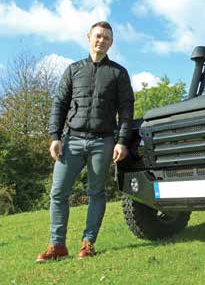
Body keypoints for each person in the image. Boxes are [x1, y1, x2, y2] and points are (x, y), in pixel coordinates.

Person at [36, 21, 134, 262]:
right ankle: (57, 246)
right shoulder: (73, 70)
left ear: (111, 43)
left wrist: (121, 141)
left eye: (107, 38)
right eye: (98, 36)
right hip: (72, 140)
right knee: (58, 192)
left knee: (96, 193)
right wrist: (54, 137)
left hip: (103, 142)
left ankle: (87, 244)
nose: (102, 40)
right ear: (89, 37)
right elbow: (59, 104)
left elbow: (126, 109)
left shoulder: (119, 73)